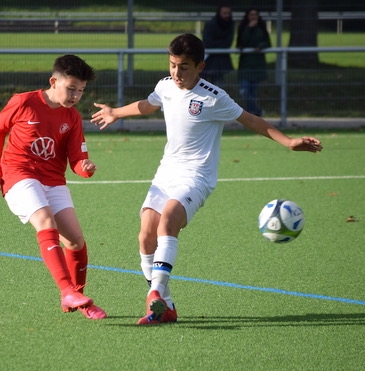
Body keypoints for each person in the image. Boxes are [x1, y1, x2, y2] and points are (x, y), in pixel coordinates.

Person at [91, 34, 322, 325]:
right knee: (146, 235)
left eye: (184, 67)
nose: (177, 72)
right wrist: (115, 112)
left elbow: (250, 119)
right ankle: (166, 307)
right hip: (166, 173)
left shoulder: (213, 97)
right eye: (173, 65)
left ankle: (155, 293)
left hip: (197, 176)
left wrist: (288, 141)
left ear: (200, 66)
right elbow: (148, 105)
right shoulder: (165, 86)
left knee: (168, 222)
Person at [0, 54, 107, 320]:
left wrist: (85, 168)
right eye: (71, 88)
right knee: (45, 221)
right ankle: (67, 291)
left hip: (53, 180)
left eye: (81, 91)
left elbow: (77, 159)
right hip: (19, 173)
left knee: (75, 240)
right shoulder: (24, 102)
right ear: (54, 82)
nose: (76, 96)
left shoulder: (72, 117)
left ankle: (79, 299)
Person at [236, 8, 272, 116]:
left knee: (253, 91)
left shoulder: (261, 28)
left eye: (255, 14)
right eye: (251, 14)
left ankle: (251, 114)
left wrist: (260, 46)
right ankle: (256, 111)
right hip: (245, 64)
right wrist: (249, 28)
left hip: (257, 64)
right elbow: (241, 41)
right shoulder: (243, 28)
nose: (254, 17)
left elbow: (268, 42)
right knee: (245, 91)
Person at [201, 4, 235, 84]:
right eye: (224, 13)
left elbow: (228, 43)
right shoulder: (210, 24)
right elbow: (208, 42)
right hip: (209, 60)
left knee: (218, 85)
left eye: (229, 13)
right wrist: (222, 42)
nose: (227, 15)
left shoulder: (230, 24)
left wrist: (217, 42)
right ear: (219, 13)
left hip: (221, 61)